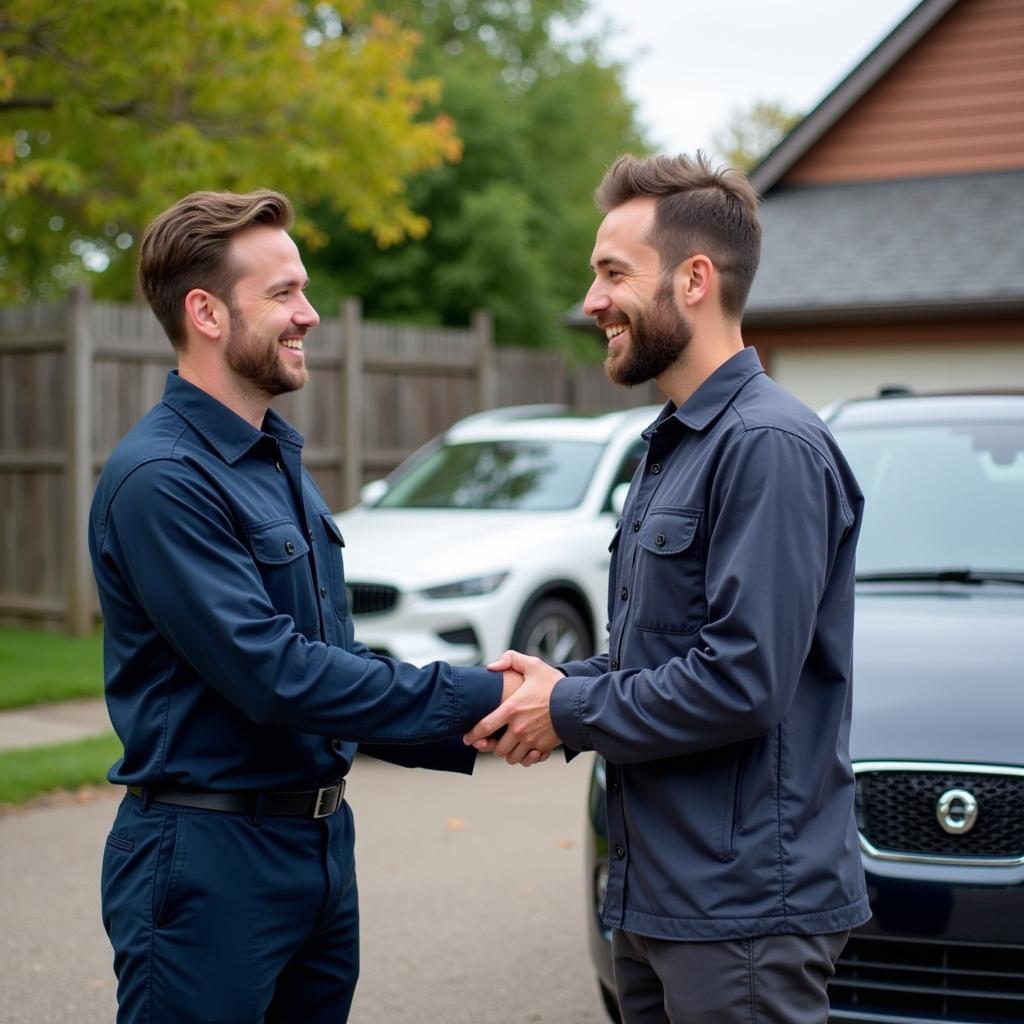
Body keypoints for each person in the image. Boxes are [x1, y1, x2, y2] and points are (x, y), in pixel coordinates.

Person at [89, 189, 521, 1024]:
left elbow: (335, 670)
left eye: (304, 290)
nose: (309, 315)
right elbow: (276, 676)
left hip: (319, 845)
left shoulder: (273, 458)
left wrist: (493, 717)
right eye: (283, 293)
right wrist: (491, 698)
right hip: (209, 863)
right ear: (206, 312)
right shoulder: (163, 481)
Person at [466, 153, 871, 1023]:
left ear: (694, 279)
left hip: (743, 913)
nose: (592, 302)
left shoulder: (768, 447)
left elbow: (741, 680)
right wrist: (561, 687)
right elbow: (666, 653)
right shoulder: (675, 445)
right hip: (657, 893)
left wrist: (566, 713)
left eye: (614, 273)